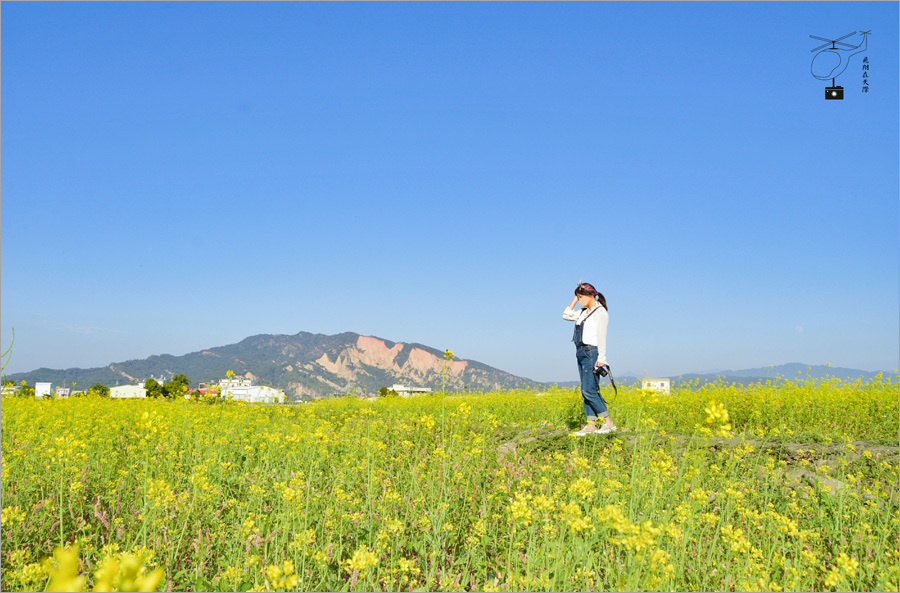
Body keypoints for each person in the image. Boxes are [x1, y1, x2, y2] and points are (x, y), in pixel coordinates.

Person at [563, 281, 617, 436]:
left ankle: (609, 423)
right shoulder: (582, 312)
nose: (579, 300)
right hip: (580, 352)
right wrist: (575, 296)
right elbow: (566, 314)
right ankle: (591, 425)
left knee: (589, 390)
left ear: (590, 295)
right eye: (578, 297)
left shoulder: (600, 312)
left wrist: (602, 358)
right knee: (585, 390)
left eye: (581, 297)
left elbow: (602, 336)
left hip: (591, 353)